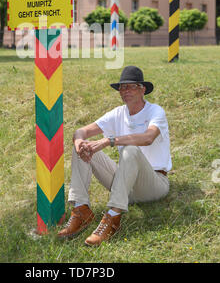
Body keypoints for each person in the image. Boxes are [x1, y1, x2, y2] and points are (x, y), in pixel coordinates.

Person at [58, 65, 172, 246]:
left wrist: (109, 140)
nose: (125, 91)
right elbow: (82, 131)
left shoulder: (155, 111)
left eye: (131, 86)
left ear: (142, 89)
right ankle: (81, 210)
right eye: (122, 87)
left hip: (154, 183)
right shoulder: (118, 113)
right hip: (124, 183)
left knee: (130, 149)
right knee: (83, 147)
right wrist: (79, 140)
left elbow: (148, 138)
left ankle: (113, 217)